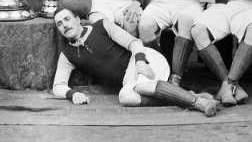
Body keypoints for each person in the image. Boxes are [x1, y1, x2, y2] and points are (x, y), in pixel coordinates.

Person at [51, 7, 219, 116]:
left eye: (67, 19)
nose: (64, 25)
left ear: (78, 20)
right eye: (59, 24)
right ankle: (188, 96)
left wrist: (140, 61)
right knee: (125, 97)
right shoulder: (68, 54)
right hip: (129, 80)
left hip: (144, 59)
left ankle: (199, 103)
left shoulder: (101, 26)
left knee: (141, 86)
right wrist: (72, 94)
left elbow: (134, 42)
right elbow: (58, 85)